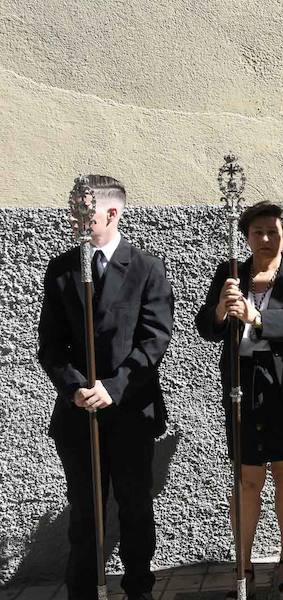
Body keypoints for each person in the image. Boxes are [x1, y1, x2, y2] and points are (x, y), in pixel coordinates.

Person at [38, 175, 175, 600]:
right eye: (72, 207)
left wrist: (113, 387)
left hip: (130, 412)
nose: (74, 217)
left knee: (135, 506)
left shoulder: (146, 267)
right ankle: (82, 590)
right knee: (86, 511)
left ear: (111, 213)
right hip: (79, 415)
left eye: (83, 209)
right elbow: (50, 345)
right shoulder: (62, 269)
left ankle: (139, 588)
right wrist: (76, 387)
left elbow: (155, 339)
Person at [195, 200, 283, 600]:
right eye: (256, 233)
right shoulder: (229, 273)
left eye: (273, 232)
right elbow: (207, 328)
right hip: (242, 390)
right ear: (245, 237)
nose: (265, 239)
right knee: (247, 479)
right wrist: (219, 309)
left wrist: (256, 318)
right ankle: (243, 564)